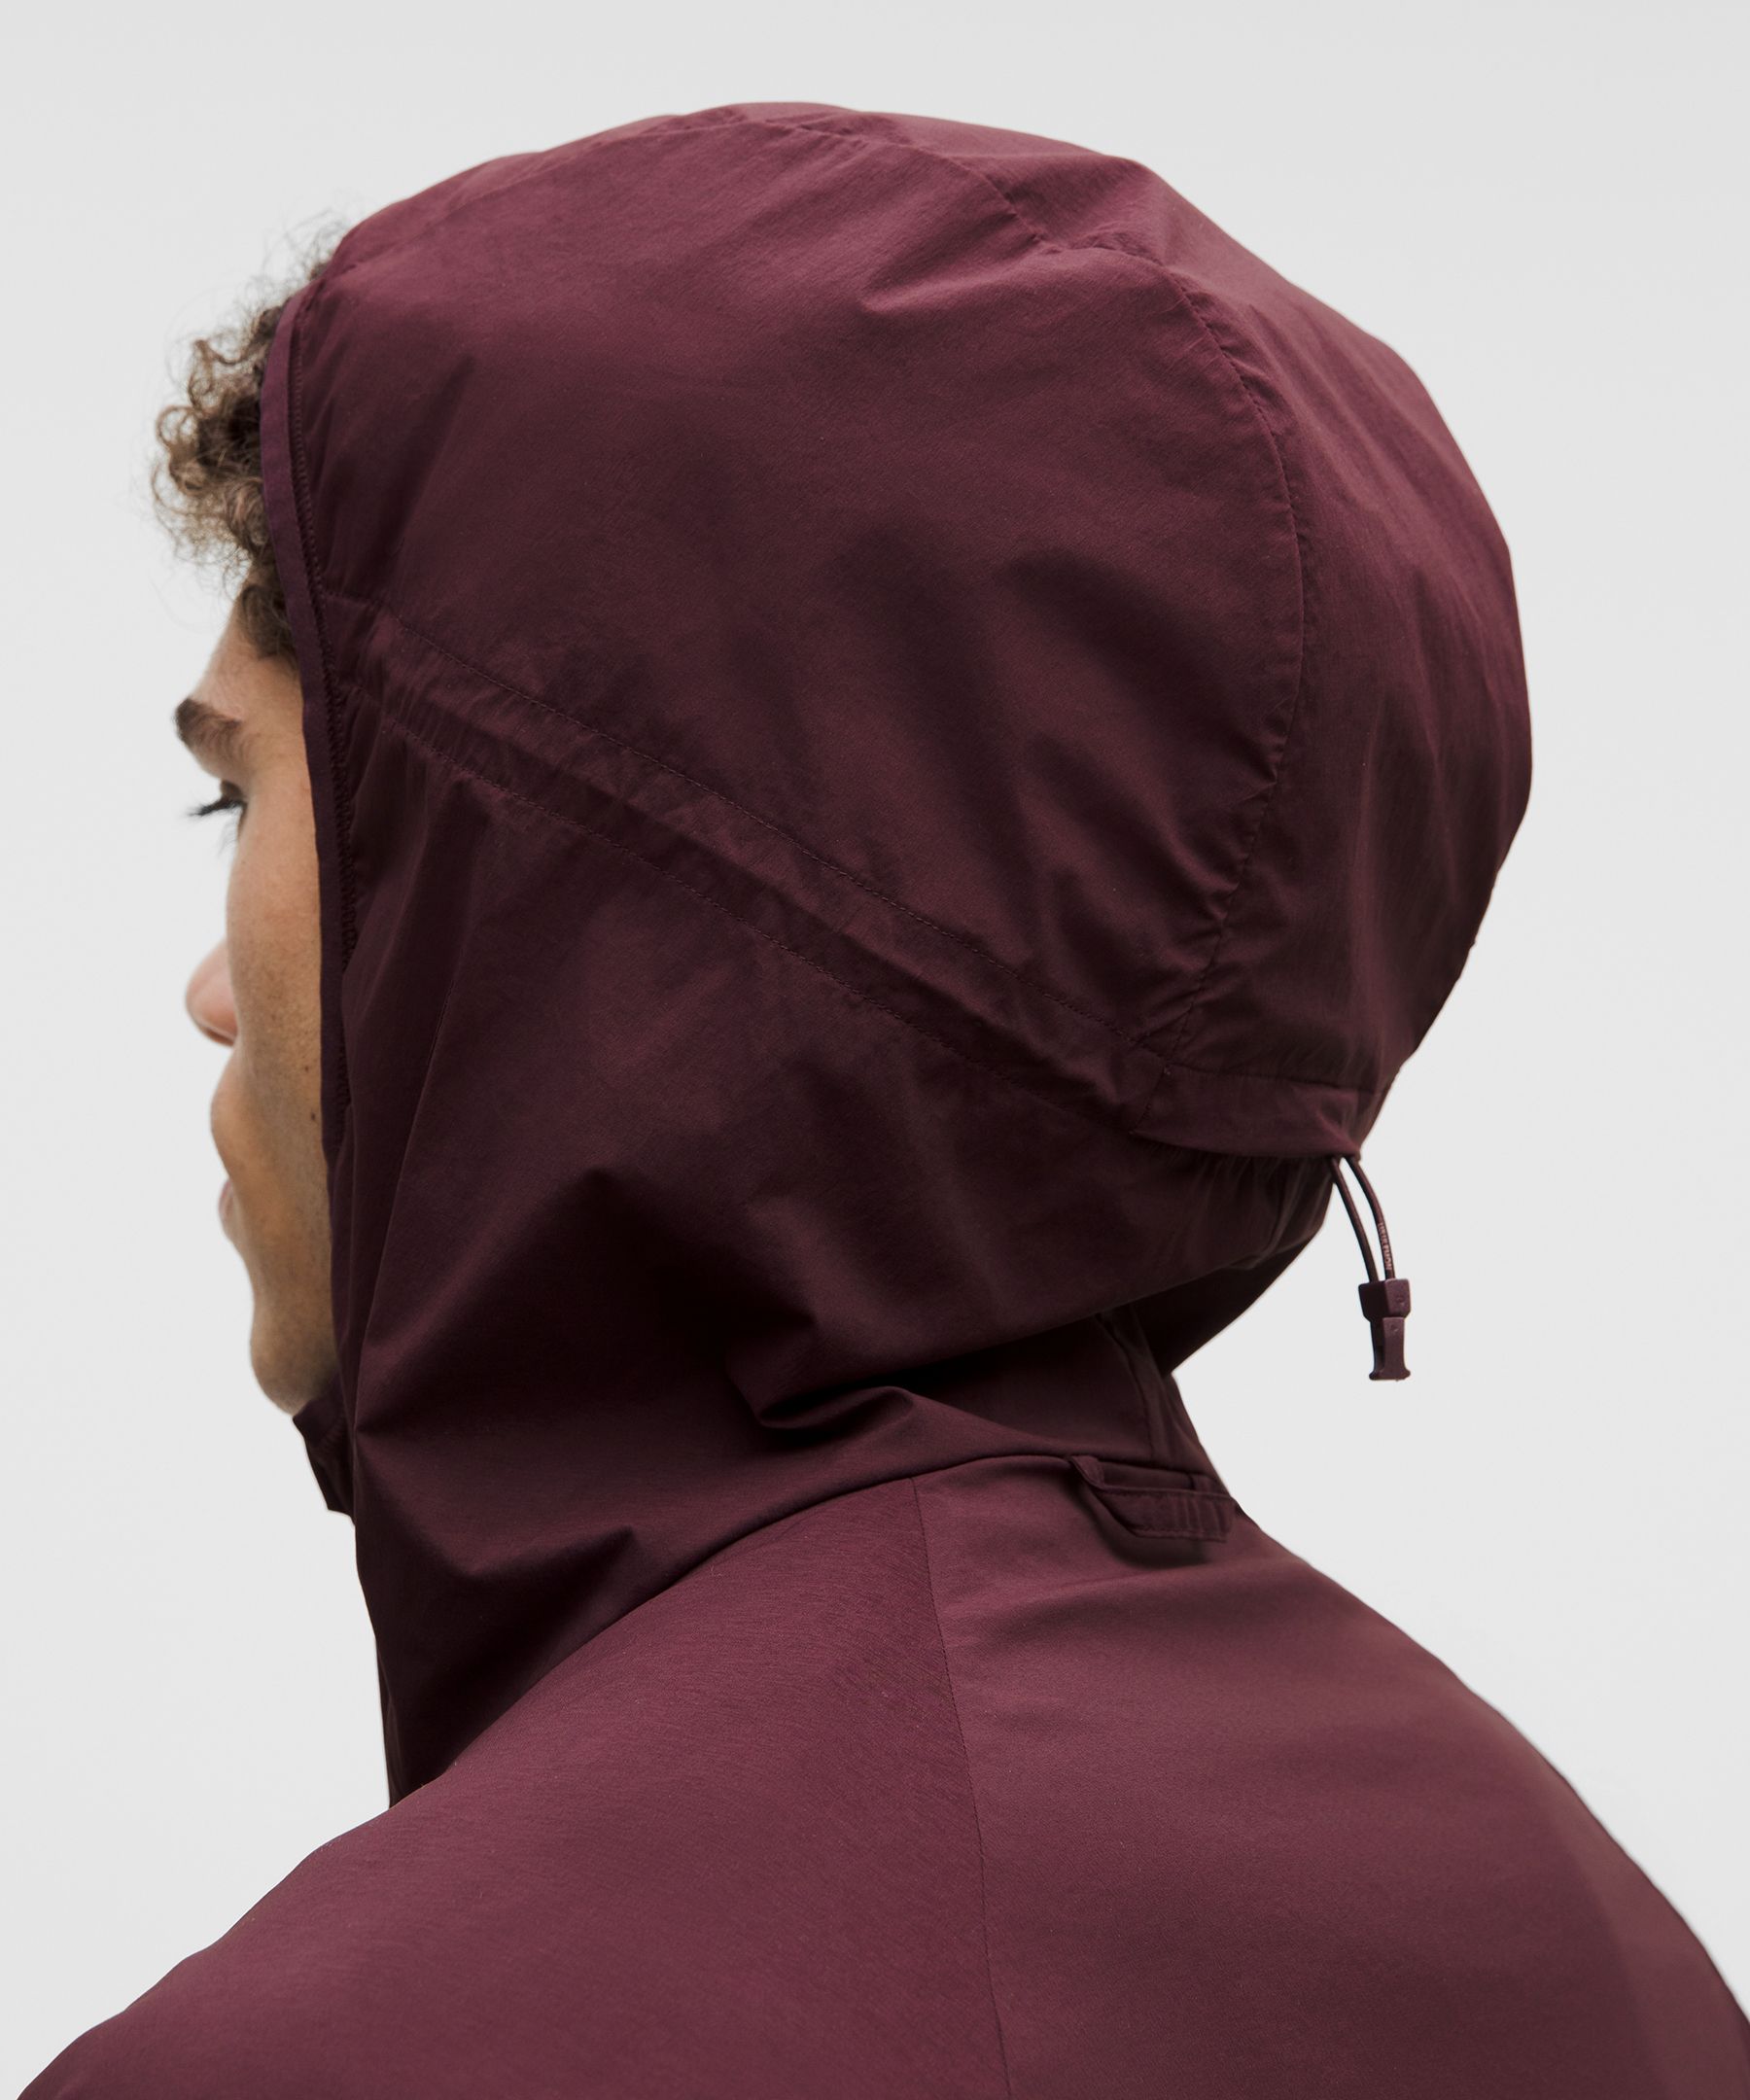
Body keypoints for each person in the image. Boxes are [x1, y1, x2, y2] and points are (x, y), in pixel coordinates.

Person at [21, 100, 1748, 2098]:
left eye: (241, 795)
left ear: (563, 886)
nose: (207, 994)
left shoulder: (320, 2061)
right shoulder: (1612, 1977)